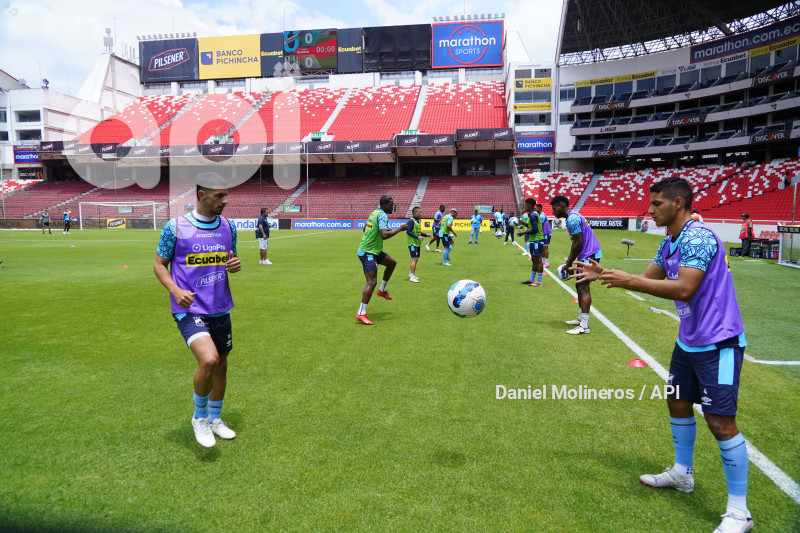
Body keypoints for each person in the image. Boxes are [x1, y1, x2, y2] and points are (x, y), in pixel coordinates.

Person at [572, 177, 753, 533]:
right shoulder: (670, 241)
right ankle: (682, 474)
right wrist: (605, 273)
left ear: (678, 203)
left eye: (657, 204)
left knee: (720, 422)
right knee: (677, 403)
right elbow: (647, 279)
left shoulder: (698, 237)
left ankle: (739, 511)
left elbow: (684, 289)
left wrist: (627, 280)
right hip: (688, 341)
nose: (650, 210)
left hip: (719, 342)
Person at [154, 172, 241, 448]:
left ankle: (215, 418)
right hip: (189, 307)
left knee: (222, 365)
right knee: (209, 360)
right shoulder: (175, 227)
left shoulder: (229, 226)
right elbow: (159, 264)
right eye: (219, 196)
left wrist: (234, 264)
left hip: (220, 306)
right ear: (202, 195)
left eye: (226, 195)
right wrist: (175, 290)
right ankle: (200, 418)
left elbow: (230, 258)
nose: (225, 200)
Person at [550, 195, 601, 334]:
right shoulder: (572, 217)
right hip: (588, 254)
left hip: (589, 256)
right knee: (579, 286)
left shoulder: (572, 219)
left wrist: (568, 263)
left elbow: (578, 243)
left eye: (554, 209)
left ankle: (584, 326)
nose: (553, 212)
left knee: (583, 287)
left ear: (561, 207)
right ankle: (580, 318)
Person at [356, 196, 407, 325]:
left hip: (375, 250)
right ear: (384, 205)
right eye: (391, 205)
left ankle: (382, 290)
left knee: (392, 263)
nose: (392, 207)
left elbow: (365, 228)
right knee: (372, 282)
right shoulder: (382, 215)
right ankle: (361, 313)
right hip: (368, 252)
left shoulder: (375, 212)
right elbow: (384, 235)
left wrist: (386, 229)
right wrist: (399, 229)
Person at [519, 198, 543, 286]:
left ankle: (539, 281)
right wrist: (524, 224)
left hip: (537, 240)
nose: (525, 207)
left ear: (530, 205)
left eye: (526, 205)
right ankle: (532, 279)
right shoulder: (531, 214)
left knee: (538, 260)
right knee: (534, 260)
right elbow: (531, 226)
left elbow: (535, 230)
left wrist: (524, 233)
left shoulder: (533, 215)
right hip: (534, 240)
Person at [406, 206, 430, 283]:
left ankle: (411, 274)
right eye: (420, 212)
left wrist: (426, 235)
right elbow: (408, 231)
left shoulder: (418, 221)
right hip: (412, 243)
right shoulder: (411, 221)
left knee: (416, 259)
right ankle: (412, 277)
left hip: (417, 243)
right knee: (414, 259)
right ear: (415, 213)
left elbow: (418, 232)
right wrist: (417, 237)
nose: (421, 213)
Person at [536, 203, 552, 268]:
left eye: (536, 208)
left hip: (546, 233)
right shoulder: (541, 215)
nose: (535, 209)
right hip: (544, 233)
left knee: (545, 247)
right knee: (543, 247)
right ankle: (542, 262)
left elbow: (541, 226)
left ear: (539, 208)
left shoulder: (542, 216)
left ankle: (547, 263)